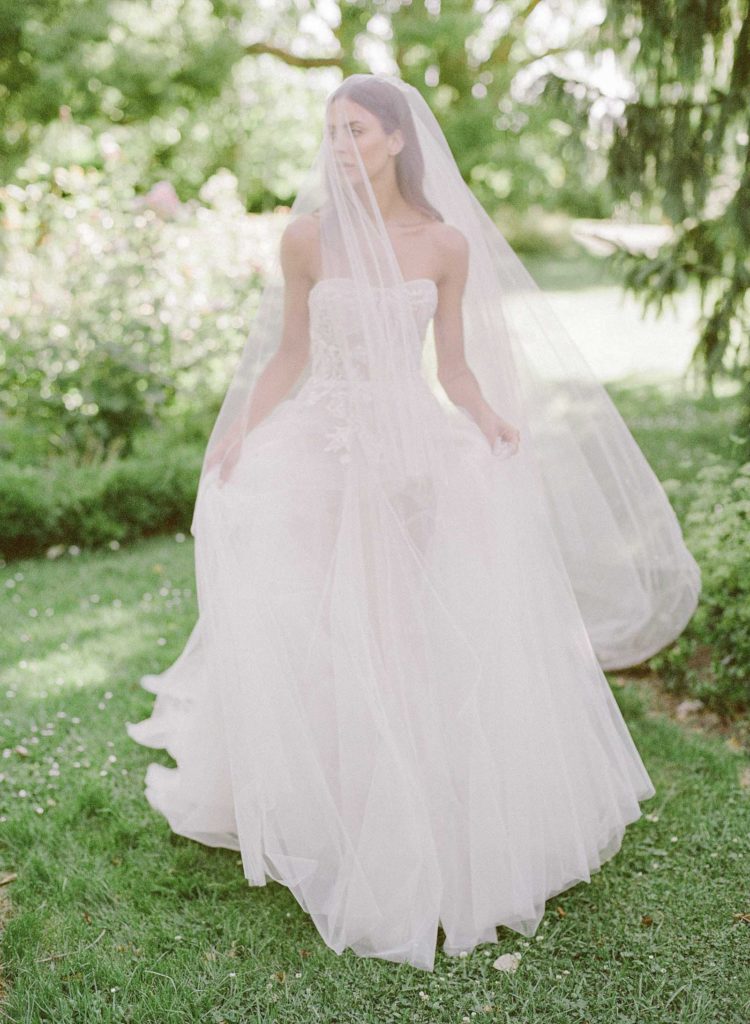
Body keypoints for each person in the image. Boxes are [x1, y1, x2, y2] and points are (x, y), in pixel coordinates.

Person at [126, 72, 700, 972]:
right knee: (321, 614)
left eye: (355, 130)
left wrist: (490, 422)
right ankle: (330, 794)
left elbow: (458, 368)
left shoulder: (443, 244)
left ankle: (417, 794)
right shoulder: (306, 239)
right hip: (320, 448)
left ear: (396, 138)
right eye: (331, 132)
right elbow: (288, 355)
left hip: (410, 454)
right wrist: (239, 427)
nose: (340, 146)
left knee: (405, 619)